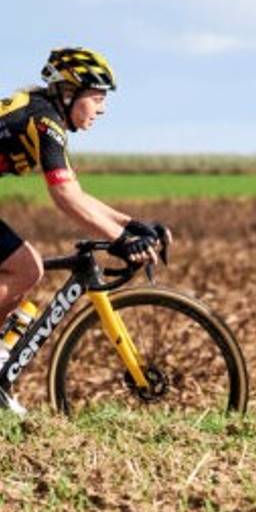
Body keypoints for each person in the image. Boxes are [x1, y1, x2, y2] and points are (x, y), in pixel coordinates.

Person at [0, 48, 170, 414]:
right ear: (68, 92)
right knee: (26, 268)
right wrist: (120, 241)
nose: (102, 109)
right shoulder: (45, 122)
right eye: (97, 98)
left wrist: (128, 225)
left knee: (22, 279)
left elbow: (75, 192)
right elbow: (64, 198)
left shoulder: (46, 119)